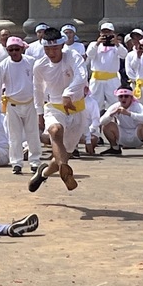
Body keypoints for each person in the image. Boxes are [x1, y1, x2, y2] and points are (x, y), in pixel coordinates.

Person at [29, 27, 87, 193]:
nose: (51, 53)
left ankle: (45, 172)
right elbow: (37, 90)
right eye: (47, 49)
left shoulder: (73, 57)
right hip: (54, 106)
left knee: (63, 154)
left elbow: (81, 76)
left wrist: (68, 94)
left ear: (62, 46)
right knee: (55, 130)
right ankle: (64, 169)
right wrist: (39, 112)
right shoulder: (39, 65)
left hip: (77, 108)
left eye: (54, 48)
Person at [0, 36, 41, 174]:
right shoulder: (2, 65)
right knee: (14, 136)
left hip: (30, 103)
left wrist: (41, 101)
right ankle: (16, 163)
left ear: (22, 49)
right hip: (12, 104)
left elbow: (39, 84)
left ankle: (35, 161)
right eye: (10, 50)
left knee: (33, 134)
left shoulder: (31, 62)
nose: (14, 52)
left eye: (16, 49)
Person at [98, 87, 143, 157]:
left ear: (131, 97)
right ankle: (115, 148)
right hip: (121, 135)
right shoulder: (115, 106)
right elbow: (101, 122)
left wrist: (129, 113)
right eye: (121, 96)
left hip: (137, 135)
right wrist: (111, 114)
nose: (123, 98)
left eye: (126, 96)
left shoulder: (137, 106)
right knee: (107, 125)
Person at [87, 22, 128, 110]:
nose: (106, 35)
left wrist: (117, 44)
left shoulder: (117, 46)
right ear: (100, 33)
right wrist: (97, 43)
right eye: (104, 32)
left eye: (108, 32)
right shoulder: (94, 44)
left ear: (113, 33)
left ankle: (116, 122)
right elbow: (89, 54)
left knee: (116, 102)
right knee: (95, 103)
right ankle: (96, 122)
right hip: (97, 79)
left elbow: (124, 55)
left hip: (112, 79)